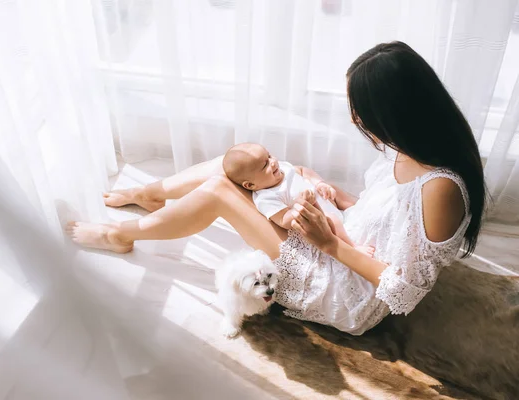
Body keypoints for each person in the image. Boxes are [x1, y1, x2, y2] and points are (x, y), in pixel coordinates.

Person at [66, 41, 487, 335]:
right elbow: (393, 221)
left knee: (220, 190)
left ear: (395, 111)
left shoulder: (441, 190)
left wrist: (330, 245)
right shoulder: (409, 147)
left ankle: (120, 235)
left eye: (360, 112)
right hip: (341, 236)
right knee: (238, 163)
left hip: (347, 290)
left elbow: (402, 292)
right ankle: (155, 194)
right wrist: (336, 196)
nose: (357, 121)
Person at [222, 142, 374, 256]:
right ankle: (353, 248)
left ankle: (358, 208)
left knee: (333, 188)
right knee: (332, 219)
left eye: (269, 156)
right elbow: (284, 220)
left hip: (327, 202)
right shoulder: (266, 198)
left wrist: (319, 183)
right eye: (265, 165)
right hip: (323, 224)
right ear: (250, 184)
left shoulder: (282, 168)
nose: (273, 162)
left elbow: (302, 170)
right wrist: (301, 204)